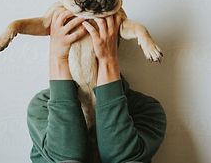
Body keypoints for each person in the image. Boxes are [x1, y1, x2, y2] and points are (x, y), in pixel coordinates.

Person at [27, 9, 167, 163]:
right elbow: (65, 157)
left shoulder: (147, 109)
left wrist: (108, 61)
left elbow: (120, 157)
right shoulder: (41, 107)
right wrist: (58, 59)